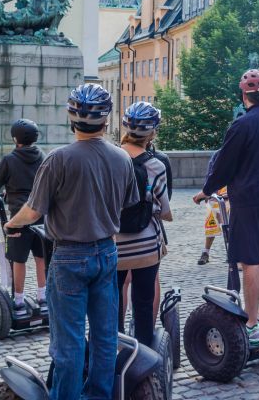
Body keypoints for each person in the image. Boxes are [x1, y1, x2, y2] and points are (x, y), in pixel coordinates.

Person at [4, 83, 139, 400]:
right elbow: (128, 202)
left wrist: (11, 223)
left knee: (69, 341)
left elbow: (34, 210)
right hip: (107, 253)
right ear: (106, 121)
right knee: (105, 337)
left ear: (71, 118)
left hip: (68, 258)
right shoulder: (122, 158)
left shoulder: (59, 159)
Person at [193, 68, 259, 348]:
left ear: (243, 94)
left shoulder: (242, 125)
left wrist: (206, 191)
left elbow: (225, 165)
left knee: (249, 262)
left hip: (247, 200)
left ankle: (251, 326)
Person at [0, 118, 46, 310]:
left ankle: (19, 299)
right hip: (41, 215)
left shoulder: (10, 160)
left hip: (19, 218)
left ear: (16, 139)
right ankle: (43, 296)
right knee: (41, 257)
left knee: (18, 259)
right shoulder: (42, 156)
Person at [116, 101, 172, 347]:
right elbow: (165, 210)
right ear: (152, 132)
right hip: (146, 247)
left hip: (113, 246)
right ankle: (145, 354)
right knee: (143, 300)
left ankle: (113, 346)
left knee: (112, 300)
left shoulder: (110, 159)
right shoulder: (155, 165)